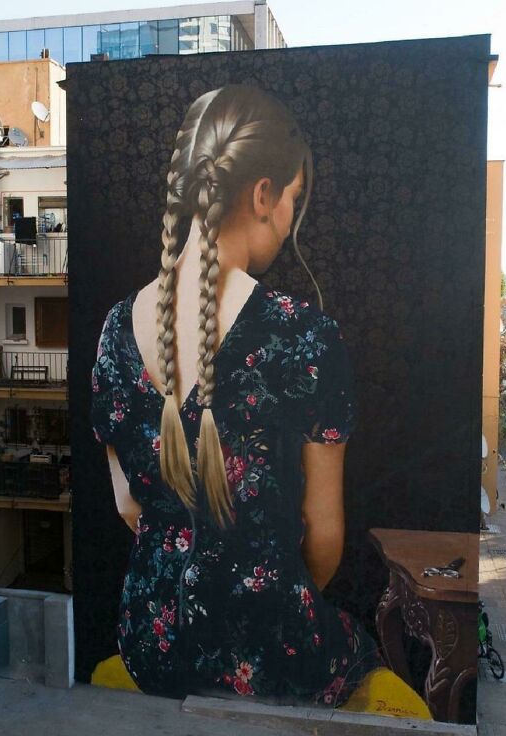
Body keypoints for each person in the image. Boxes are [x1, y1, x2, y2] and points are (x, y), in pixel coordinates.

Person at [91, 84, 382, 705]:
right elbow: (323, 539)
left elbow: (128, 507)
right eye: (292, 201)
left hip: (152, 645)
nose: (289, 222)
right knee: (363, 650)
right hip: (270, 654)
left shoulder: (116, 328)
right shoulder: (306, 336)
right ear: (261, 195)